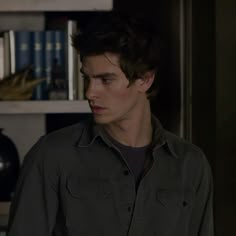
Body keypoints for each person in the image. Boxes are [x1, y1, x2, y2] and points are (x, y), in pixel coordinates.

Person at [7, 12, 214, 236]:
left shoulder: (191, 164)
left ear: (144, 79)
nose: (90, 92)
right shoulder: (50, 156)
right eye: (87, 78)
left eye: (105, 80)